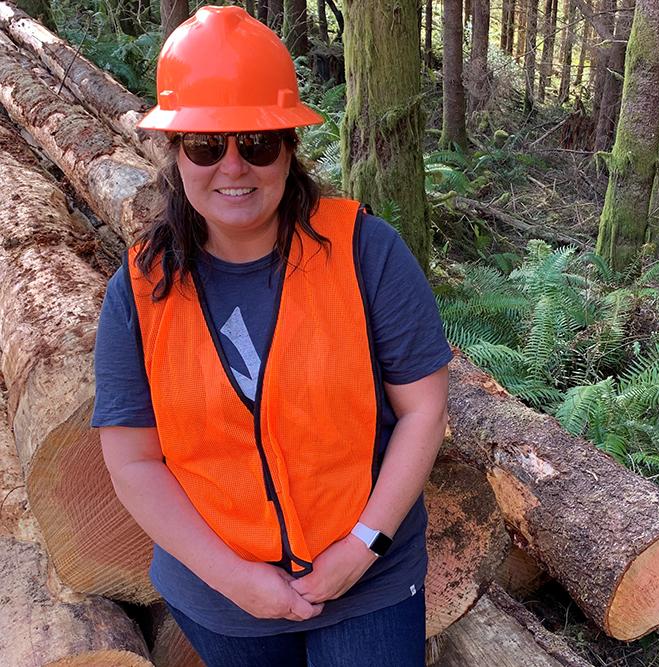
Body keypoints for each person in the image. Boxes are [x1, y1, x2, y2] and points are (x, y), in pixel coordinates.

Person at [92, 6, 451, 666]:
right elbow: (133, 462)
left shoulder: (366, 252)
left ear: (290, 144)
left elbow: (424, 408)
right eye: (206, 144)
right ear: (176, 152)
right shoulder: (140, 291)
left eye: (256, 142)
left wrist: (362, 543)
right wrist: (236, 580)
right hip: (220, 595)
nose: (233, 167)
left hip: (369, 581)